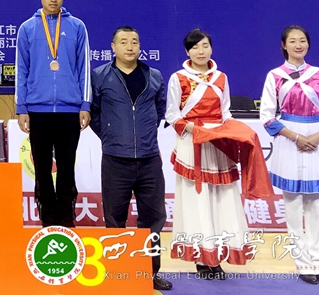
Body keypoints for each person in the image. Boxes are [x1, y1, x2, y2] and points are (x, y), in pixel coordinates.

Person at [166, 29, 272, 280]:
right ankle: (202, 259)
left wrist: (234, 130)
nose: (200, 51)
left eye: (205, 46)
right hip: (192, 143)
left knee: (222, 199)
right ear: (187, 52)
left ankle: (218, 256)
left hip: (218, 145)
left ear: (211, 48)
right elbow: (172, 115)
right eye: (195, 47)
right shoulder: (178, 78)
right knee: (196, 200)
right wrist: (194, 130)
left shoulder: (221, 77)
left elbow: (225, 113)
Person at [90, 26, 172, 291]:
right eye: (123, 42)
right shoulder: (100, 76)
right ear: (113, 47)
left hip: (149, 160)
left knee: (153, 220)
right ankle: (118, 272)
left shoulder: (154, 76)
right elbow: (93, 112)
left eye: (134, 42)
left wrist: (144, 134)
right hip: (115, 160)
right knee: (115, 220)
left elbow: (160, 109)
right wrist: (110, 136)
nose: (130, 46)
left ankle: (150, 272)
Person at [15, 0, 90, 228]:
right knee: (42, 167)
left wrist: (85, 104)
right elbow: (22, 69)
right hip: (38, 110)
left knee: (67, 167)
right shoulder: (27, 28)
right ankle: (47, 219)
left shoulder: (77, 27)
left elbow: (84, 68)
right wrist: (22, 107)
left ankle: (67, 218)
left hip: (70, 109)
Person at [260, 25, 319, 284]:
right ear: (284, 45)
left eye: (302, 40)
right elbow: (266, 116)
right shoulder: (275, 75)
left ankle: (316, 259)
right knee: (293, 206)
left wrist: (314, 138)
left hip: (317, 141)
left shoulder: (317, 74)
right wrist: (297, 137)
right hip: (289, 142)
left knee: (316, 206)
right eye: (293, 41)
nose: (298, 45)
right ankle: (303, 263)